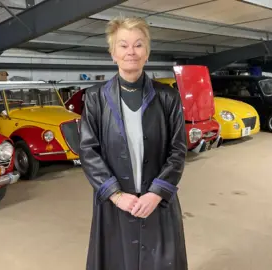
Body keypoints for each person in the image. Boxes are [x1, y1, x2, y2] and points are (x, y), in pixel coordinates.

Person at [78, 16, 188, 270]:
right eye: (123, 45)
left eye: (138, 45)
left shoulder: (167, 97)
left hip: (157, 202)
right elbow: (88, 151)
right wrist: (116, 195)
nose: (131, 52)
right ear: (112, 53)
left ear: (147, 53)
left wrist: (156, 193)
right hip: (116, 203)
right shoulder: (95, 98)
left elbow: (178, 150)